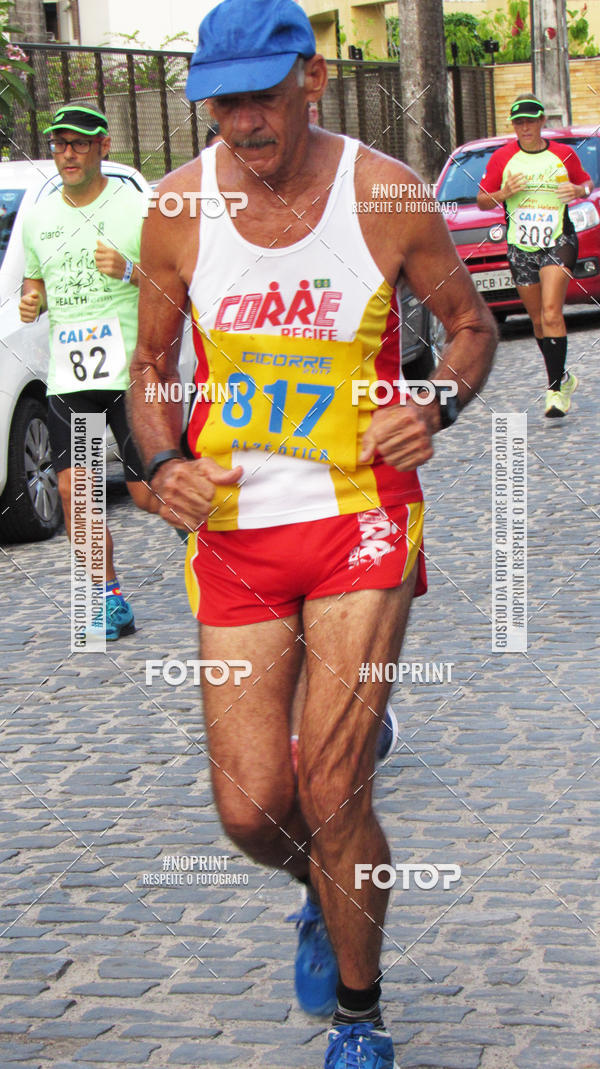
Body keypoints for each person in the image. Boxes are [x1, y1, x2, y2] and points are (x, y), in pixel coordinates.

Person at [128, 1, 496, 1065]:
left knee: (335, 791)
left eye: (261, 96)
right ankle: (320, 889)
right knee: (253, 814)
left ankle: (358, 1012)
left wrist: (434, 403)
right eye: (222, 101)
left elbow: (470, 327)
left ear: (314, 79)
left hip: (360, 516)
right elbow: (150, 371)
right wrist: (160, 466)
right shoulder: (176, 207)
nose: (242, 122)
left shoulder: (384, 192)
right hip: (238, 532)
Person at [19, 104, 158, 639]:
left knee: (150, 493)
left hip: (129, 373)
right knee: (79, 491)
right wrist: (35, 299)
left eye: (79, 143)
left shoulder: (137, 207)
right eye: (59, 144)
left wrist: (129, 270)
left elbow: (174, 286)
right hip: (71, 381)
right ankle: (108, 597)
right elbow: (37, 283)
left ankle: (215, 553)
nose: (67, 153)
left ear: (103, 146)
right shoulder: (38, 217)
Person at [477, 94, 593, 418]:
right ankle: (563, 377)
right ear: (514, 126)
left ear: (542, 122)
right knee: (539, 320)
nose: (525, 127)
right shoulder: (502, 158)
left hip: (558, 239)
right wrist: (503, 193)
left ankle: (554, 391)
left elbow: (586, 184)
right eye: (519, 122)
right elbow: (483, 200)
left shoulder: (563, 154)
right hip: (520, 246)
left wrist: (578, 191)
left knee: (552, 311)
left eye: (530, 120)